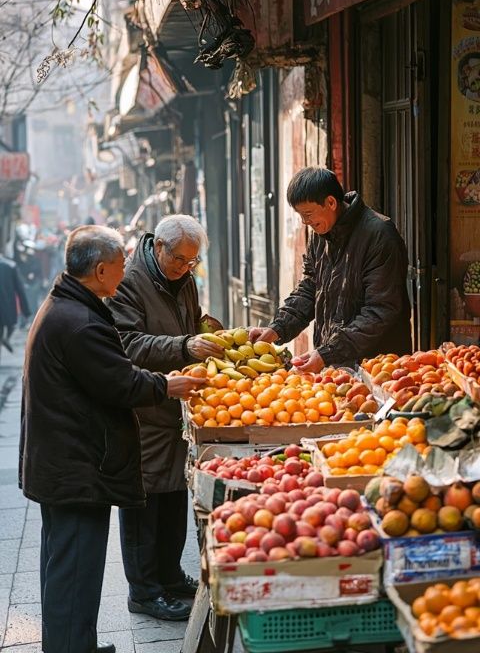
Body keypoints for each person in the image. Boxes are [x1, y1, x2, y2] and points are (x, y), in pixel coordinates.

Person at [19, 225, 204, 653]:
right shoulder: (79, 322)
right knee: (74, 567)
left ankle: (73, 643)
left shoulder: (69, 306)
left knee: (67, 566)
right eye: (121, 265)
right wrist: (167, 385)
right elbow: (121, 383)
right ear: (101, 270)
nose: (126, 272)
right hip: (75, 467)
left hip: (66, 462)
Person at [106, 214, 224, 621]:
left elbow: (187, 324)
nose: (184, 268)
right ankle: (144, 591)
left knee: (174, 494)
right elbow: (127, 343)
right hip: (145, 406)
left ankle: (170, 576)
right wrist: (185, 344)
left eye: (192, 262)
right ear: (158, 246)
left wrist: (203, 330)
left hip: (175, 407)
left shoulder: (182, 279)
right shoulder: (129, 281)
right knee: (144, 500)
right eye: (178, 259)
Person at [250, 167, 411, 370]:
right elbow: (309, 288)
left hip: (377, 366)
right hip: (336, 364)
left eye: (308, 214)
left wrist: (328, 352)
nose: (305, 222)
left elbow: (380, 310)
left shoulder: (379, 235)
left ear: (331, 203)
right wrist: (277, 328)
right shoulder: (320, 235)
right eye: (300, 215)